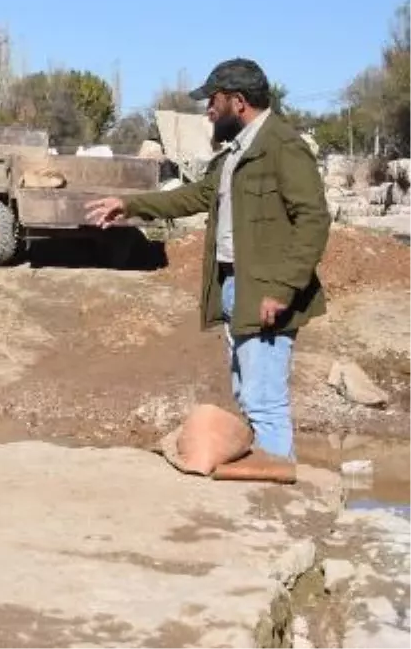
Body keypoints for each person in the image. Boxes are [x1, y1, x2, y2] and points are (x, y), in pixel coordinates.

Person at [86, 58, 330, 463]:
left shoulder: (283, 147)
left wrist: (283, 288)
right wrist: (130, 205)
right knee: (247, 394)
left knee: (264, 399)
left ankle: (276, 498)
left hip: (266, 291)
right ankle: (264, 489)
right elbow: (196, 196)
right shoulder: (237, 152)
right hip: (237, 286)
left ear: (237, 101)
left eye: (212, 101)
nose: (208, 110)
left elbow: (314, 219)